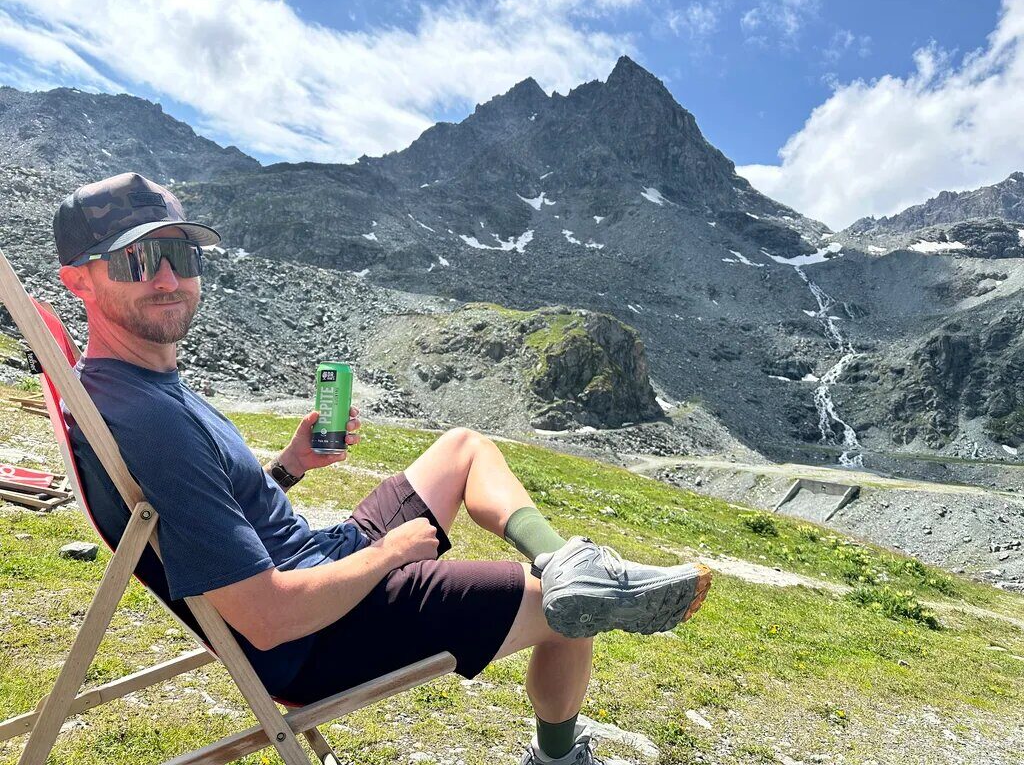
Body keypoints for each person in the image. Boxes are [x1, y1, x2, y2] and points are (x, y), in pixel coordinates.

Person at [54, 172, 712, 765]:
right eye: (136, 260)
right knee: (566, 610)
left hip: (319, 561)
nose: (166, 278)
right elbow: (266, 618)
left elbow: (205, 514)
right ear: (78, 279)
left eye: (179, 255)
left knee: (462, 448)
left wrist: (287, 467)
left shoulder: (133, 387)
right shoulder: (148, 420)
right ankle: (560, 751)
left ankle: (566, 561)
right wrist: (390, 554)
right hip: (318, 634)